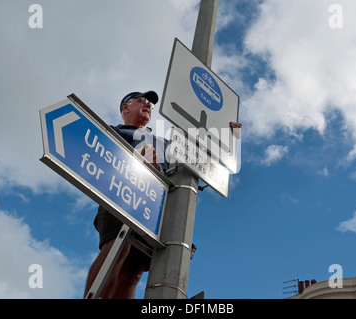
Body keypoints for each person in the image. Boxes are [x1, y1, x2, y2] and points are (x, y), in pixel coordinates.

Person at [84, 90, 242, 299]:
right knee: (117, 249)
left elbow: (200, 154)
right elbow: (101, 155)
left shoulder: (165, 142)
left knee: (134, 272)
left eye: (150, 104)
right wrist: (133, 158)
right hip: (123, 195)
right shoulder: (115, 132)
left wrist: (230, 135)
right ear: (125, 107)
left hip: (156, 207)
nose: (148, 105)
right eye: (142, 101)